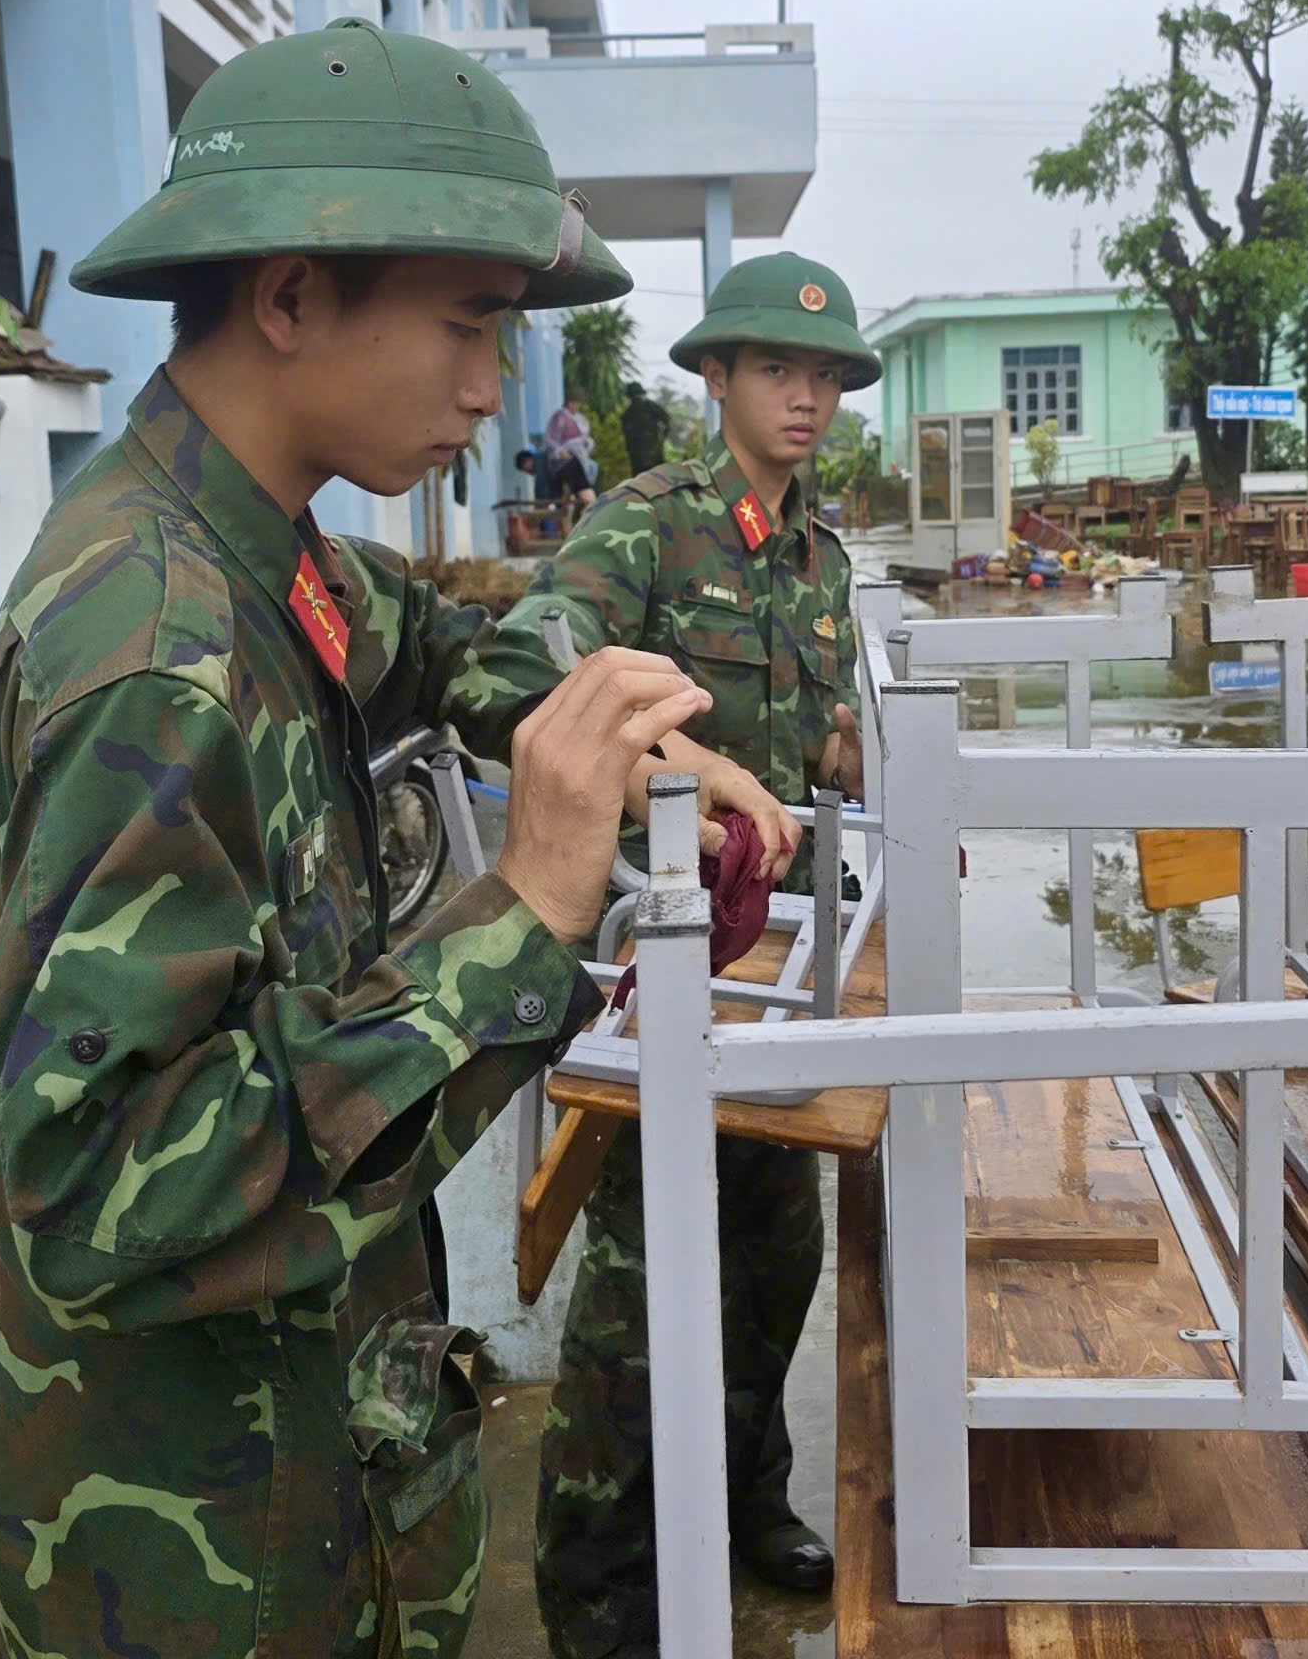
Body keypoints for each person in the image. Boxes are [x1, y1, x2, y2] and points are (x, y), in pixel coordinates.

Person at [0, 17, 786, 1659]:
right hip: (199, 1552)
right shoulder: (157, 649)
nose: (495, 392)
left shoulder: (251, 547)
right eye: (470, 326)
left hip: (300, 1465)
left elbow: (410, 632)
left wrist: (631, 735)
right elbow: (96, 1189)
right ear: (289, 297)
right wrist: (527, 906)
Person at [472, 251, 879, 1659]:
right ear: (715, 377)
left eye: (826, 375)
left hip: (777, 974)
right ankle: (595, 1589)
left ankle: (749, 1500)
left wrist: (850, 769)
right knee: (642, 1301)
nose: (807, 398)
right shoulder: (648, 529)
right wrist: (697, 762)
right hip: (655, 972)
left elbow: (820, 746)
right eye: (780, 369)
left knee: (775, 1261)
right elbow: (517, 669)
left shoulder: (827, 561)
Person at [516, 442, 595, 508]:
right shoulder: (544, 460)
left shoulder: (539, 460)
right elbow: (551, 486)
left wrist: (538, 504)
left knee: (586, 496)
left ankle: (594, 512)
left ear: (527, 460)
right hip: (568, 471)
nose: (528, 473)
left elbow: (541, 485)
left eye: (526, 470)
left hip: (569, 468)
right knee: (567, 504)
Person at [619, 378, 671, 473]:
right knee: (658, 479)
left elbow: (626, 437)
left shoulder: (628, 413)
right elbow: (667, 420)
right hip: (652, 452)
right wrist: (662, 439)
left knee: (641, 481)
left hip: (639, 455)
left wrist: (662, 439)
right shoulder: (649, 407)